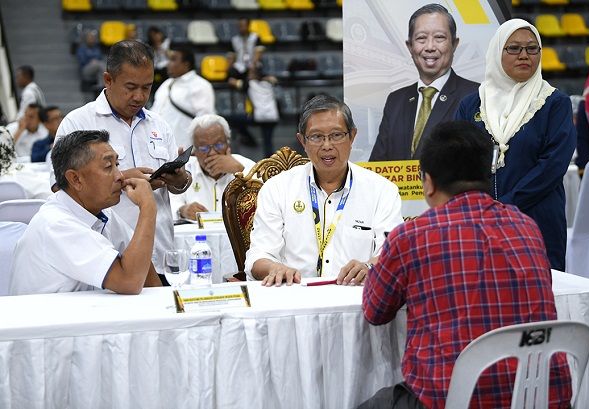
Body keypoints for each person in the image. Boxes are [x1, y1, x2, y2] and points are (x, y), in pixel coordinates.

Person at [361, 121, 571, 409]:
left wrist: (378, 264)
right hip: (541, 399)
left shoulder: (412, 236)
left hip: (451, 400)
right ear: (487, 173)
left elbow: (375, 311)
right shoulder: (526, 226)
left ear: (428, 182)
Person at [56, 40, 192, 276]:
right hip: (108, 261)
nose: (139, 96)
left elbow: (179, 187)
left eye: (147, 87)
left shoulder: (159, 124)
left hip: (162, 255)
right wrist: (123, 178)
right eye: (130, 87)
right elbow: (60, 188)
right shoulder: (78, 123)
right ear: (108, 80)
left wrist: (180, 179)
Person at [455, 19, 576, 271]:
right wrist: (482, 206)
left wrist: (507, 204)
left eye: (532, 48)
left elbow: (553, 165)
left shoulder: (554, 103)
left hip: (537, 218)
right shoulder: (472, 105)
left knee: (539, 289)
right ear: (497, 52)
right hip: (480, 221)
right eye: (513, 48)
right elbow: (457, 159)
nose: (524, 55)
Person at [245, 94, 403, 286]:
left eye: (336, 135)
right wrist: (274, 268)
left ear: (352, 136)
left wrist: (369, 267)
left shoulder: (382, 191)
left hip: (356, 296)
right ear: (302, 141)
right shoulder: (277, 188)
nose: (327, 146)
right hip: (295, 295)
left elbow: (393, 253)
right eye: (316, 137)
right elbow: (258, 255)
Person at [9, 130, 162, 295]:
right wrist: (148, 207)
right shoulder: (56, 224)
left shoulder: (102, 212)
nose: (120, 176)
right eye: (108, 167)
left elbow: (145, 272)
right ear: (75, 179)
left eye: (117, 165)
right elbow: (129, 281)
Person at [369, 4, 478, 161]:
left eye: (439, 37)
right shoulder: (396, 100)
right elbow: (378, 164)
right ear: (410, 46)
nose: (430, 47)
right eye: (421, 38)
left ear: (454, 44)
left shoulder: (476, 96)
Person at [170, 114, 255, 221]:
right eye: (204, 148)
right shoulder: (184, 170)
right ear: (194, 151)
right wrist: (182, 210)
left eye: (219, 145)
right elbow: (169, 202)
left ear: (228, 144)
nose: (212, 153)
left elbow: (265, 198)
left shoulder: (245, 166)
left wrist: (240, 172)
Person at [151, 44, 215, 149]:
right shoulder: (166, 84)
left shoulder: (201, 85)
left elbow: (206, 122)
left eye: (173, 60)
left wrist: (198, 149)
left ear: (186, 64)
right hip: (159, 147)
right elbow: (154, 113)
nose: (168, 64)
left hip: (185, 149)